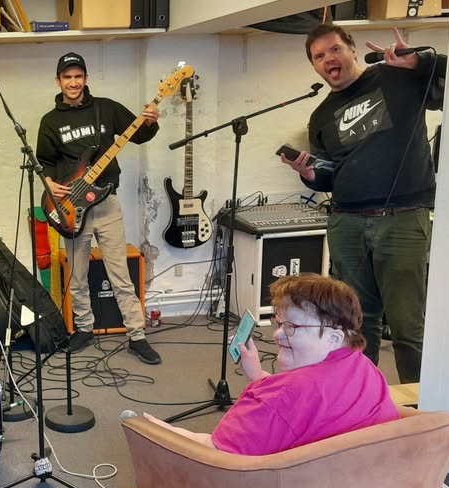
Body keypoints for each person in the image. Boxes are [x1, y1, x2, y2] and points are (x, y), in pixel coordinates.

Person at [280, 24, 446, 384]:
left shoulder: (397, 77)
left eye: (334, 49)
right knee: (355, 324)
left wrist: (420, 62)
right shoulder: (321, 117)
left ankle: (420, 404)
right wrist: (308, 173)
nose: (328, 59)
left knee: (408, 326)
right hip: (347, 224)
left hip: (402, 219)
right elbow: (327, 177)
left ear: (352, 49)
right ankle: (360, 399)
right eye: (319, 56)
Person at [146, 274, 399, 455]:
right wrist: (258, 375)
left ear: (334, 337)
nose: (277, 335)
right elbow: (299, 409)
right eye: (279, 323)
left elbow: (217, 456)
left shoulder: (278, 398)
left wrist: (154, 432)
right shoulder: (365, 369)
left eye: (291, 327)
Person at [36, 52, 162, 365]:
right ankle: (83, 328)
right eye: (67, 77)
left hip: (106, 205)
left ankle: (137, 335)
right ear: (58, 81)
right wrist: (48, 183)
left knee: (120, 274)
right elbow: (45, 161)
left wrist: (150, 121)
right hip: (70, 206)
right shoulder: (50, 121)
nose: (73, 83)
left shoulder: (105, 109)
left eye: (78, 76)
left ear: (86, 79)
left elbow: (139, 134)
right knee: (77, 275)